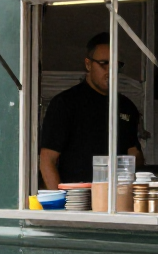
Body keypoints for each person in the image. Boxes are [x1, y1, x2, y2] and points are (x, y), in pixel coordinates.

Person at [38, 31, 143, 189]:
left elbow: (133, 154)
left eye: (116, 65)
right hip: (76, 201)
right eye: (103, 63)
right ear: (88, 64)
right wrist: (59, 205)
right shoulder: (65, 103)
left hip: (117, 200)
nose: (110, 71)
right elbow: (47, 160)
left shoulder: (126, 106)